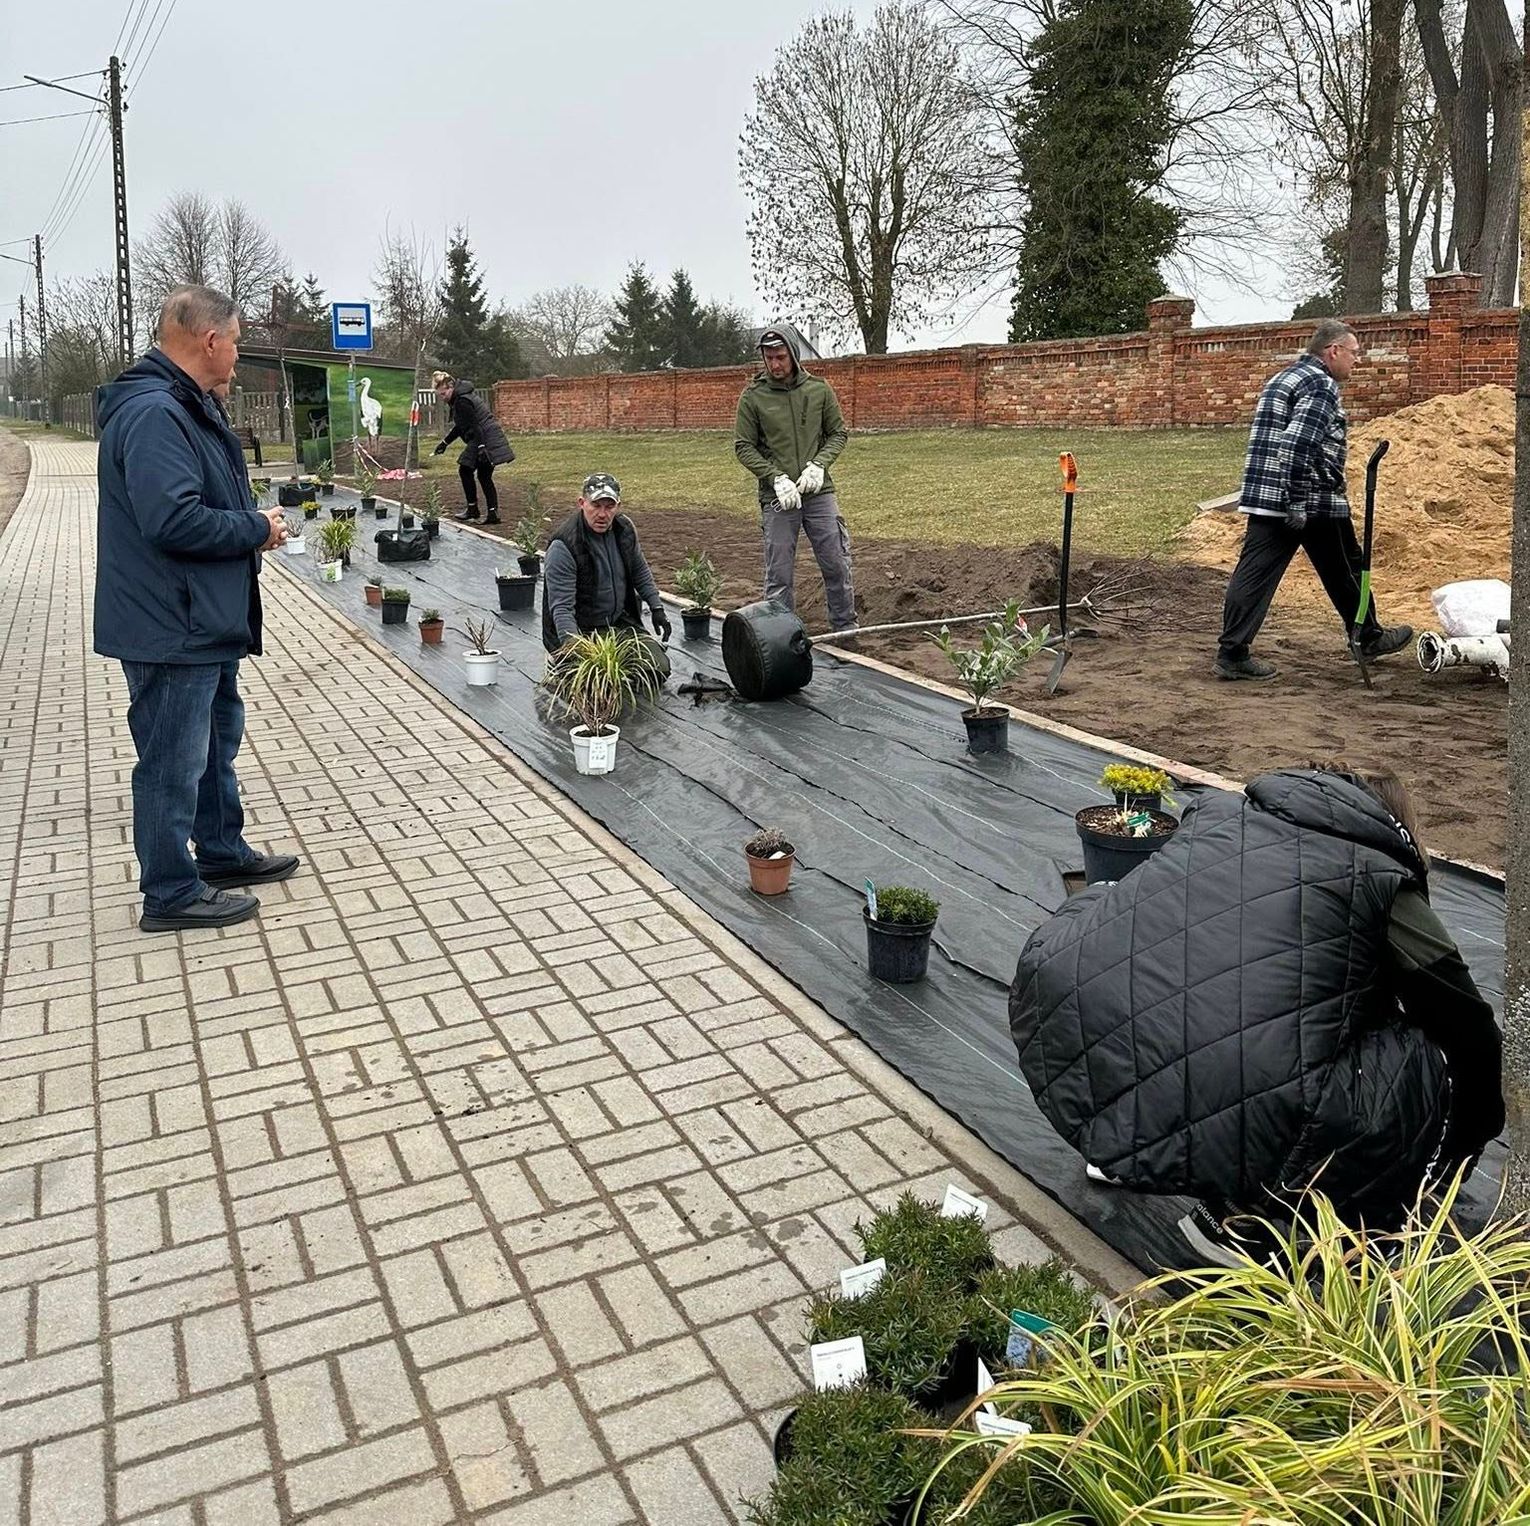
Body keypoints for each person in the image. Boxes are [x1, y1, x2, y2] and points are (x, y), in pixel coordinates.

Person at [1009, 761, 1502, 1264]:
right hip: (1222, 1073)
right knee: (1420, 1055)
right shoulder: (1380, 875)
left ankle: (1122, 1146)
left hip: (1068, 1004)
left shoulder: (1221, 814)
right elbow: (1468, 1029)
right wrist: (1461, 1148)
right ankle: (1248, 1220)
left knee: (1148, 947)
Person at [95, 284, 301, 933]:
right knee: (172, 761)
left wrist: (248, 522)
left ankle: (220, 852)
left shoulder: (186, 403)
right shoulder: (157, 413)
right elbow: (172, 519)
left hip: (201, 617)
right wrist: (254, 528)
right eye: (235, 341)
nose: (238, 355)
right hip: (170, 623)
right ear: (210, 341)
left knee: (214, 745)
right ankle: (170, 890)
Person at [1216, 320, 1412, 681]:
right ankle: (1368, 637)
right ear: (1333, 351)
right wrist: (1296, 502)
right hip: (1311, 501)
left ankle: (1232, 653)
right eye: (1354, 353)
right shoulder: (1320, 385)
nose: (1357, 360)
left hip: (1267, 497)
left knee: (1254, 574)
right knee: (1347, 569)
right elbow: (1296, 445)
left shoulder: (1284, 378)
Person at [733, 326, 856, 632]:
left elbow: (838, 433)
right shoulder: (753, 397)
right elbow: (743, 446)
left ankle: (845, 629)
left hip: (818, 492)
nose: (775, 364)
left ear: (793, 354)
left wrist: (819, 465)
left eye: (781, 357)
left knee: (836, 563)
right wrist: (775, 478)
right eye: (769, 358)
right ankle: (781, 637)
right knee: (779, 575)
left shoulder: (818, 390)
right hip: (778, 497)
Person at [541, 472, 672, 679]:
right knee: (599, 678)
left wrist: (657, 608)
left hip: (618, 622)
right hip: (582, 629)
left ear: (618, 506)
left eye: (609, 506)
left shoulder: (624, 529)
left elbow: (640, 570)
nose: (602, 514)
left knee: (657, 669)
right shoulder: (564, 545)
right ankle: (558, 661)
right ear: (582, 503)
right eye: (596, 505)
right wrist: (573, 649)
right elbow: (562, 608)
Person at [431, 370, 515, 524]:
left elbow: (475, 425)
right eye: (440, 395)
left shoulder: (462, 401)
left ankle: (475, 510)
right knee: (483, 475)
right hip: (485, 436)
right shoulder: (461, 397)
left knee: (466, 469)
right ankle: (490, 513)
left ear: (451, 387)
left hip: (484, 437)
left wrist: (482, 447)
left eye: (443, 394)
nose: (443, 398)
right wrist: (444, 443)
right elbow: (461, 426)